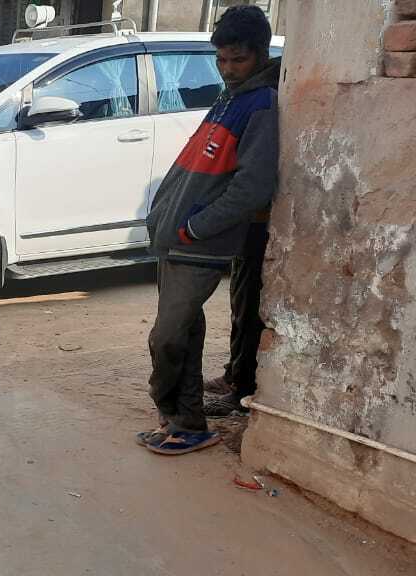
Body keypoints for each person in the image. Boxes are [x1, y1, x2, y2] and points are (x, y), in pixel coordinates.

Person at [141, 5, 279, 454]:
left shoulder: (261, 104)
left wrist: (195, 228)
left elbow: (253, 187)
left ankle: (177, 417)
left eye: (238, 59)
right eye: (221, 60)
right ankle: (185, 422)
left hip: (197, 244)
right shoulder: (231, 97)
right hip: (176, 239)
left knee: (166, 338)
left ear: (260, 55)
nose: (228, 68)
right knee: (185, 335)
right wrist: (164, 217)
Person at [202, 220, 270, 417]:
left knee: (248, 312)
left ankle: (243, 389)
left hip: (258, 231)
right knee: (240, 307)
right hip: (248, 231)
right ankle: (234, 376)